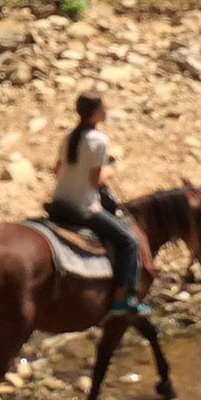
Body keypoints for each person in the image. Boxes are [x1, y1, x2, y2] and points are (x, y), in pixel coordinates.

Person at [52, 90, 149, 316]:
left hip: (59, 200)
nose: (106, 111)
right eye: (103, 108)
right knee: (129, 241)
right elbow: (95, 182)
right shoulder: (99, 141)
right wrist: (112, 171)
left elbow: (58, 171)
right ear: (96, 113)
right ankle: (122, 300)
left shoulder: (68, 135)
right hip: (83, 207)